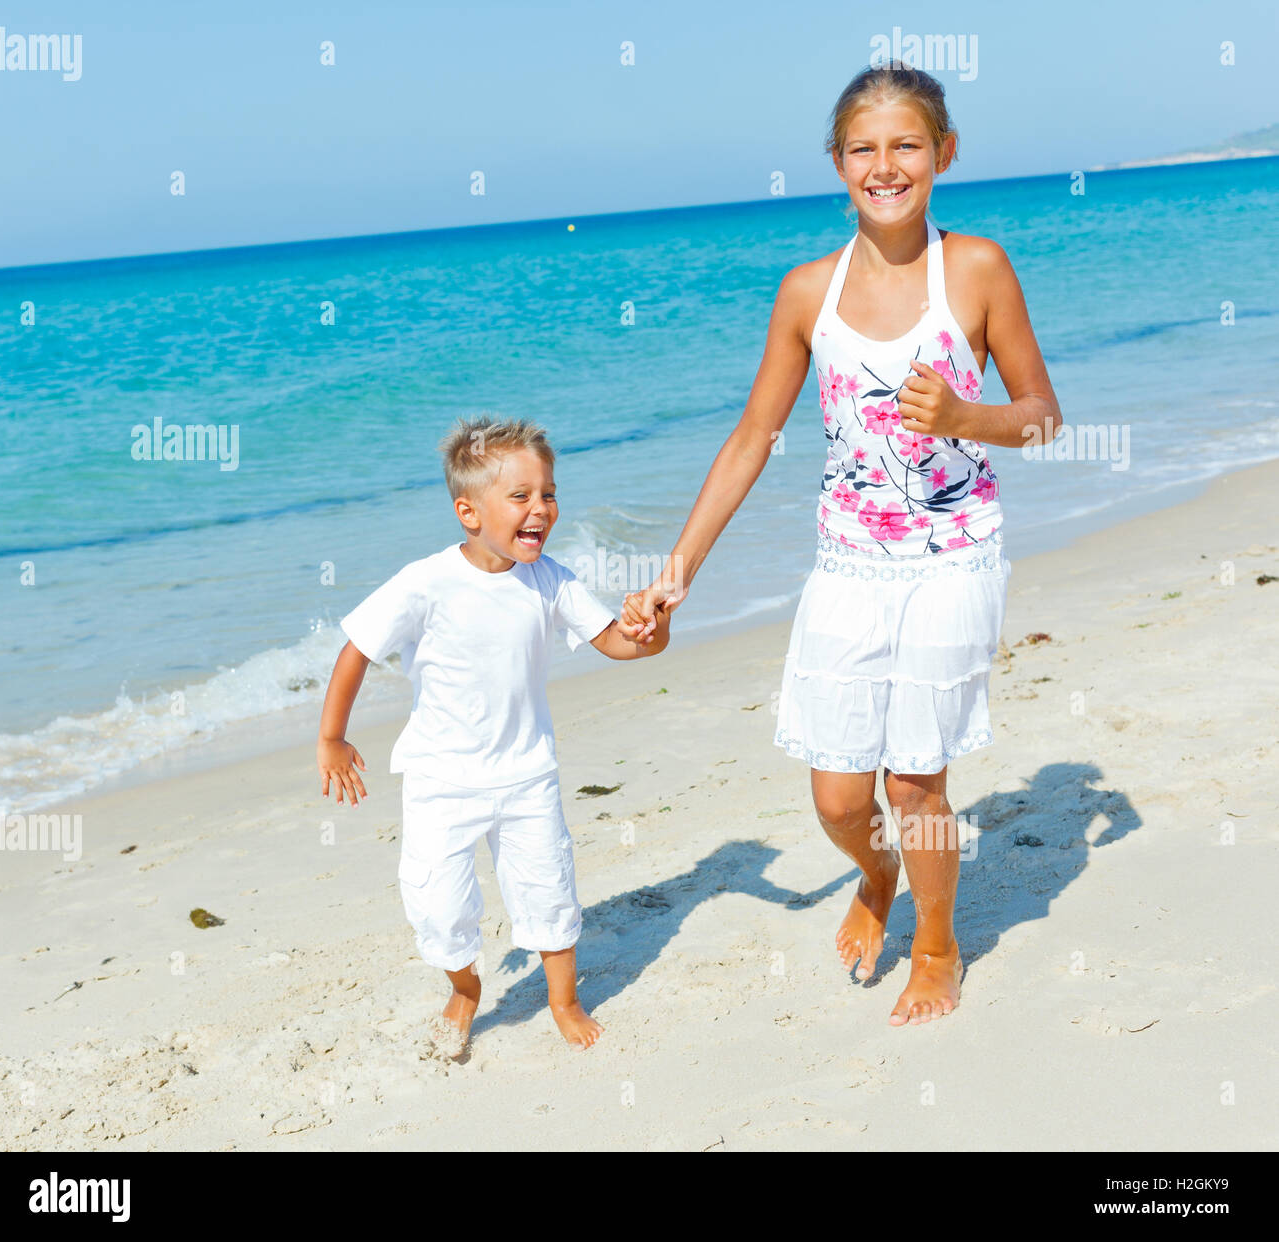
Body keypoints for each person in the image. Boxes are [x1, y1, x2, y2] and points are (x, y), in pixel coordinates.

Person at [622, 63, 1061, 1026]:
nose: (886, 165)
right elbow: (749, 440)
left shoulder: (978, 269)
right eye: (864, 148)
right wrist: (675, 575)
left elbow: (1041, 417)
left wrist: (962, 415)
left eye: (907, 144)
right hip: (849, 565)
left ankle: (937, 947)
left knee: (915, 777)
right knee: (835, 798)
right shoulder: (804, 294)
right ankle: (877, 875)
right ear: (835, 163)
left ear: (944, 153)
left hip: (954, 552)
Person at [317, 417, 671, 1052]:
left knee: (549, 890)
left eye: (549, 494)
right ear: (468, 511)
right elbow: (357, 649)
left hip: (526, 772)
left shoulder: (550, 579)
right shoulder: (424, 583)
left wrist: (653, 628)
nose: (541, 509)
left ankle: (563, 998)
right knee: (438, 904)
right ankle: (465, 987)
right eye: (521, 497)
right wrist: (332, 739)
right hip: (440, 780)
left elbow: (618, 644)